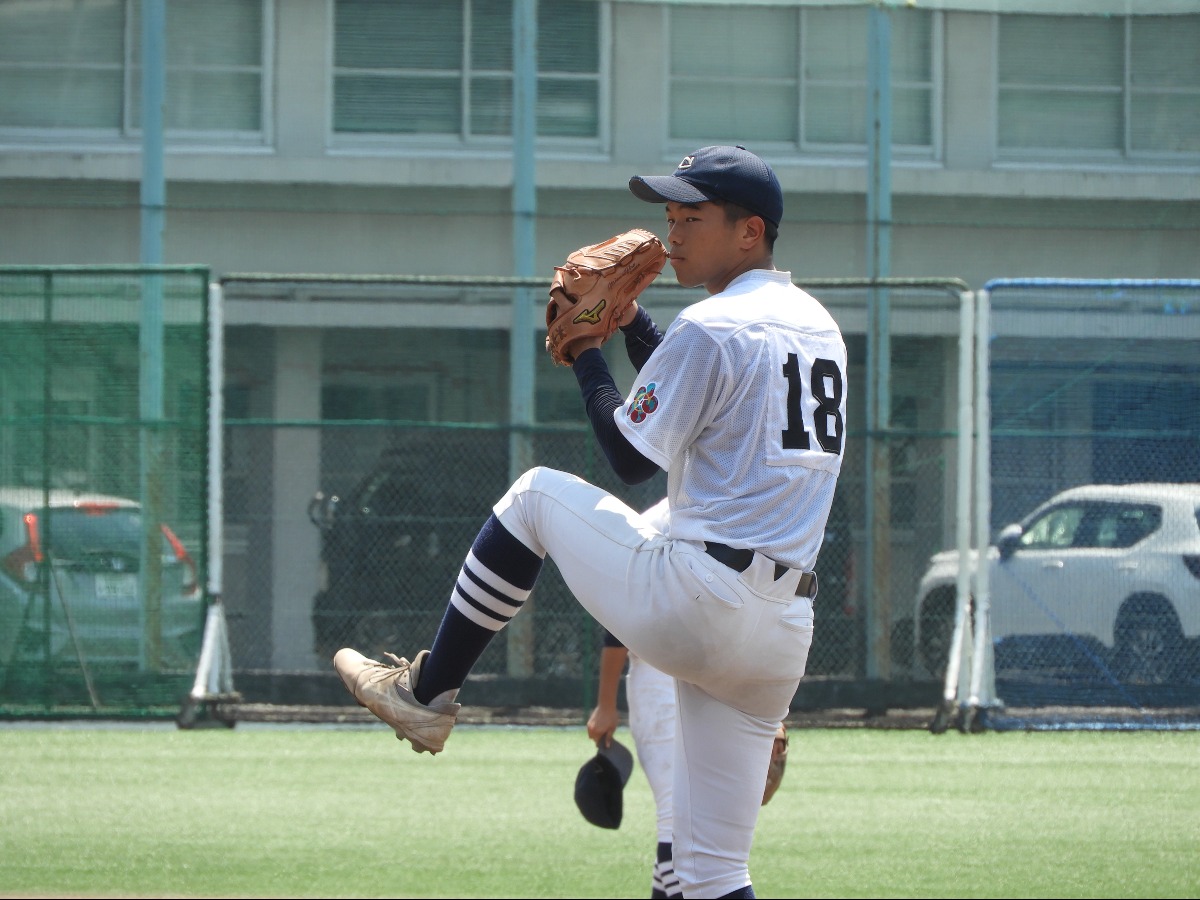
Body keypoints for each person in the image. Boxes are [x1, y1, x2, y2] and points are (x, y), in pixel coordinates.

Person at [334, 144, 847, 899]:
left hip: (699, 599)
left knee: (536, 496)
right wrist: (633, 325)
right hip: (780, 634)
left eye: (692, 217)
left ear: (750, 231)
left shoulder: (713, 325)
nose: (673, 233)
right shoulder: (814, 324)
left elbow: (631, 456)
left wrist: (586, 351)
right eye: (670, 216)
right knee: (708, 874)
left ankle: (427, 693)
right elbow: (700, 386)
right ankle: (426, 695)